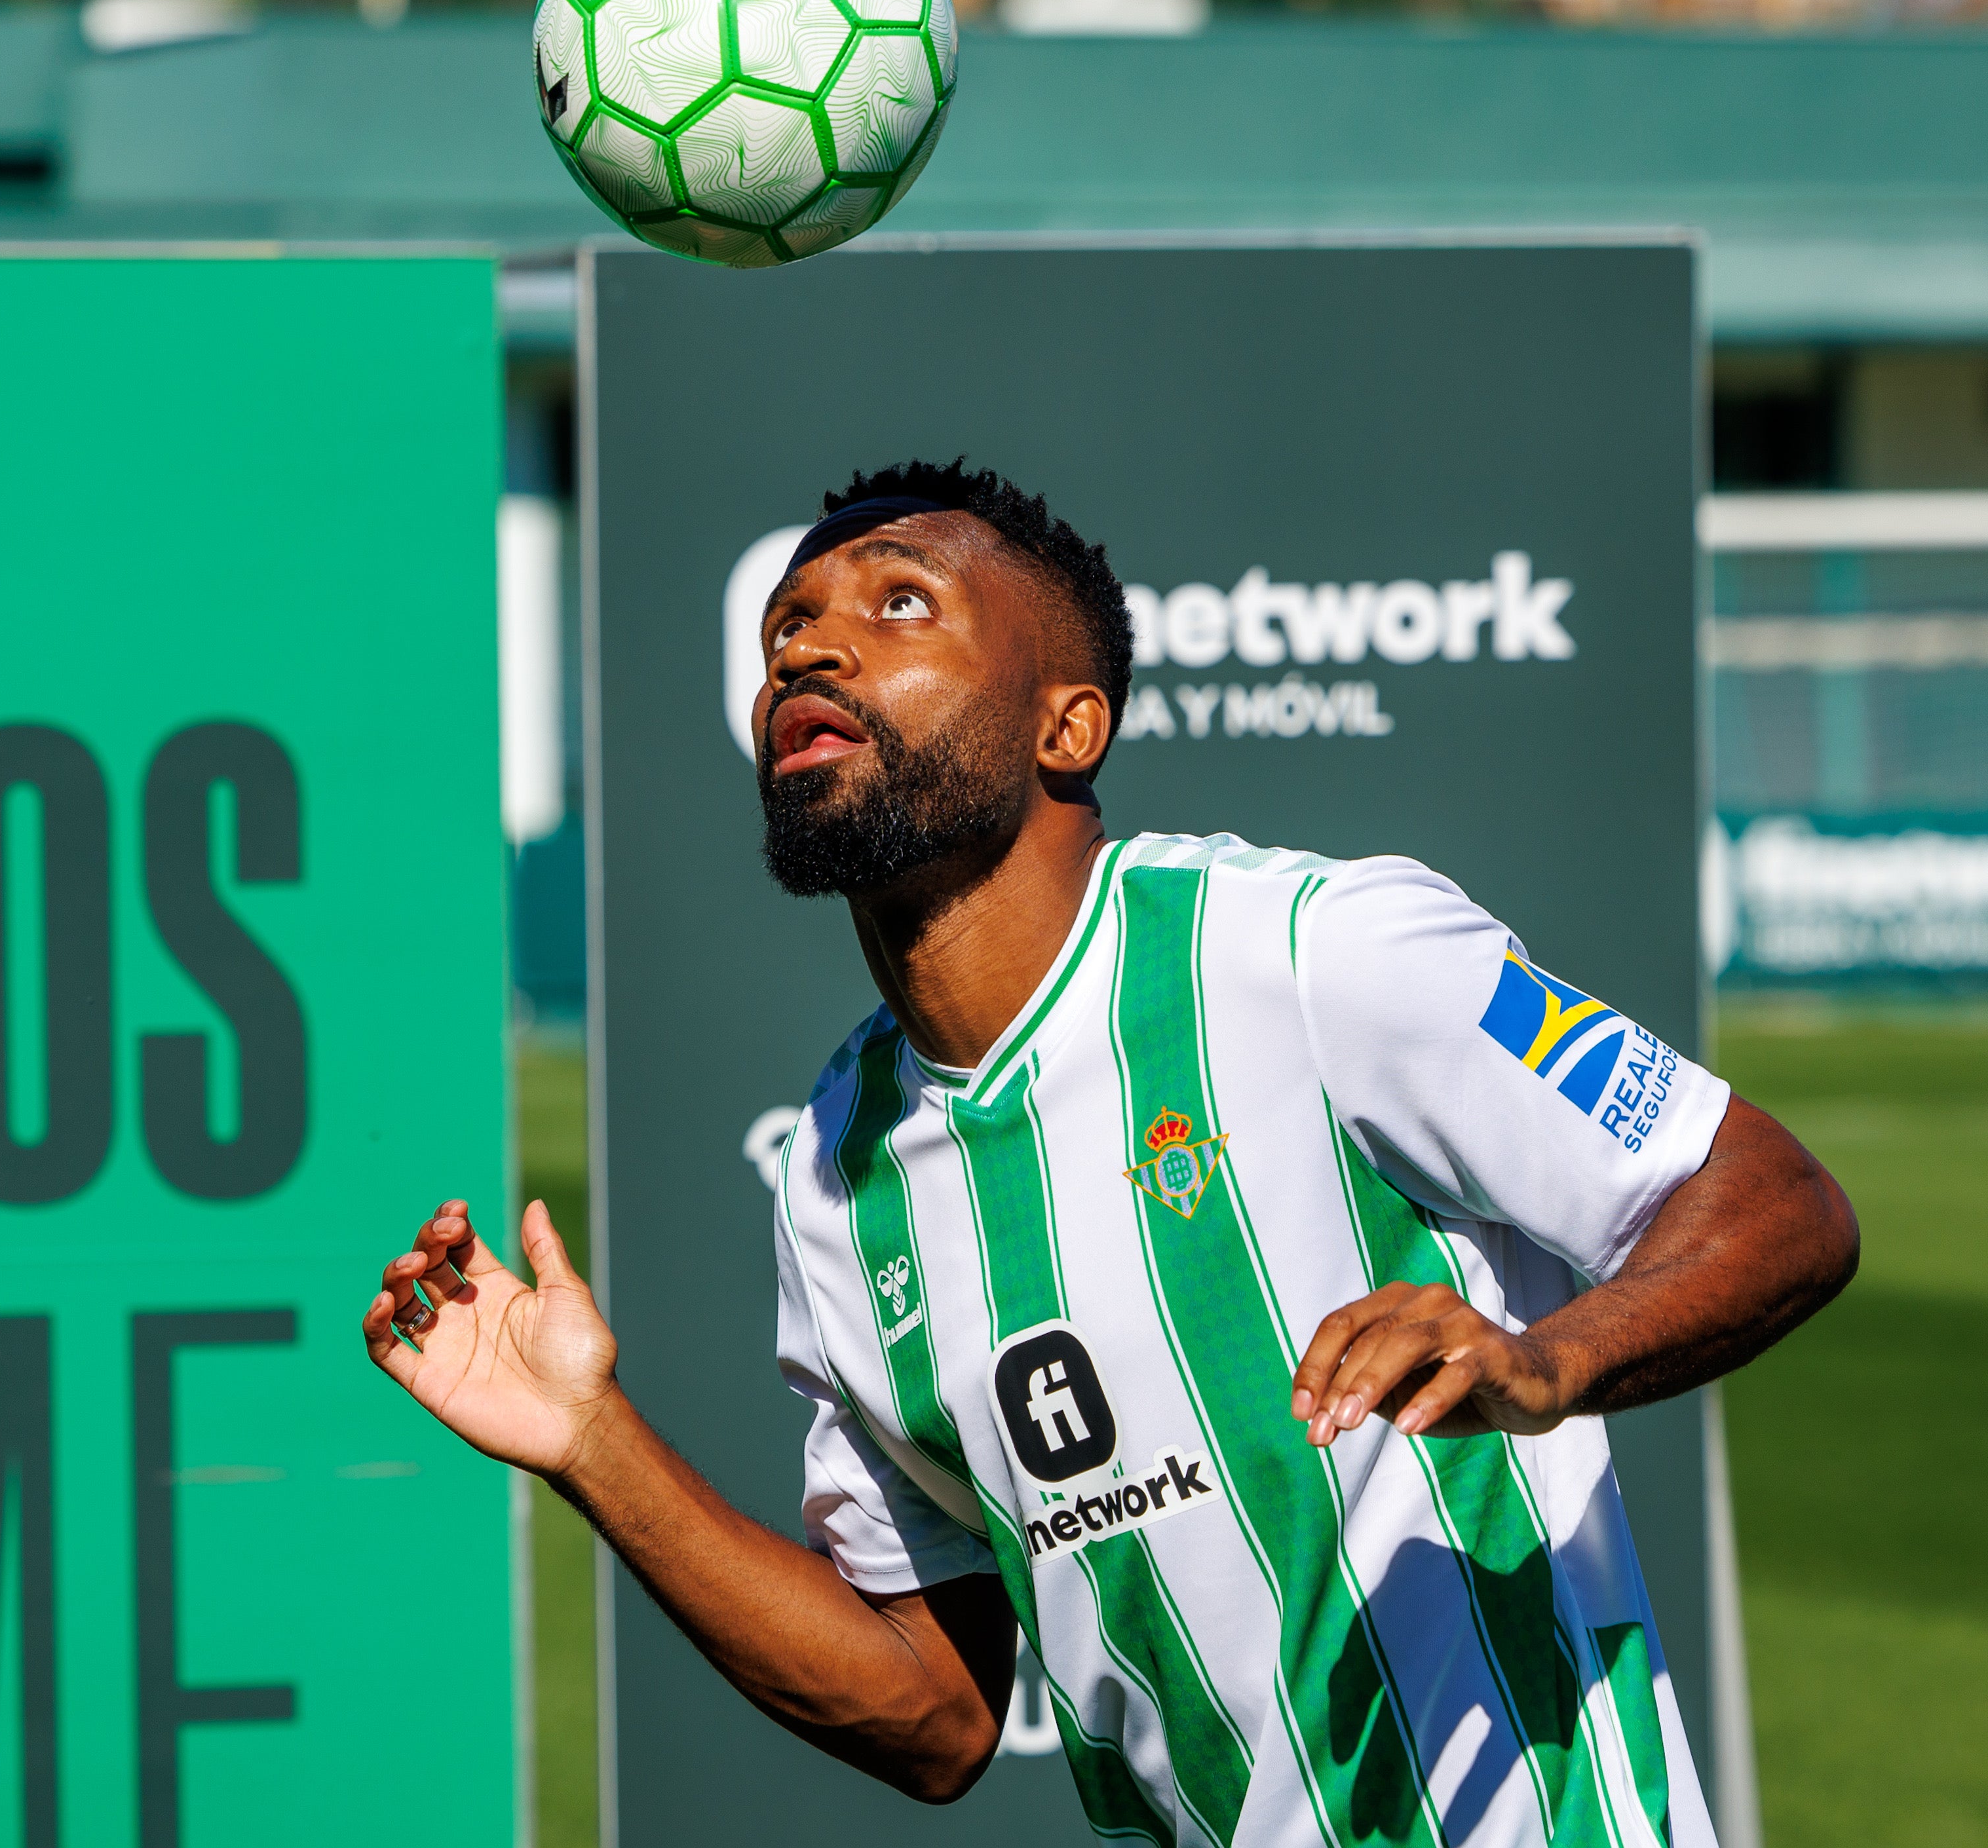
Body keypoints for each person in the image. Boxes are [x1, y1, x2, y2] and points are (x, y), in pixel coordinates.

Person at [364, 459, 1857, 1845]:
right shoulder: (835, 1172)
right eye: (786, 629)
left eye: (897, 604)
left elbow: (1776, 1202)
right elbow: (935, 1713)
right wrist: (590, 1443)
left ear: (1065, 725)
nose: (809, 653)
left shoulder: (1317, 951)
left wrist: (1551, 1365)